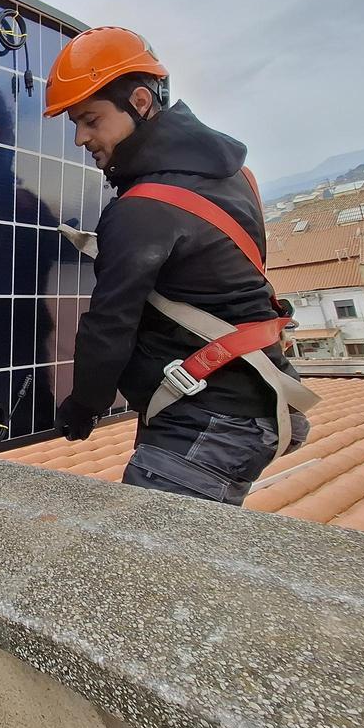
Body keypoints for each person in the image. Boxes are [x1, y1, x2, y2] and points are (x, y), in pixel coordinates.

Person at [45, 27, 313, 505]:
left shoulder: (142, 207)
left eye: (90, 120)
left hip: (206, 423)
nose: (80, 138)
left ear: (141, 101)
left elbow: (110, 323)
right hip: (259, 404)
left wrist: (84, 405)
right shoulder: (235, 178)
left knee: (150, 568)